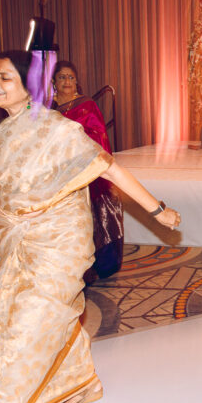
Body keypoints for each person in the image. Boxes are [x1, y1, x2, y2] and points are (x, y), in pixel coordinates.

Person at [0, 50, 181, 403]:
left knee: (26, 329)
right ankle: (83, 383)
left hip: (59, 246)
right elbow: (8, 203)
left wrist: (159, 210)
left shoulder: (58, 129)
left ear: (29, 86)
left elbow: (107, 169)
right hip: (20, 248)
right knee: (31, 321)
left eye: (4, 78)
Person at [52, 60, 124, 282]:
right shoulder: (47, 108)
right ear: (54, 82)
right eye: (62, 77)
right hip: (57, 173)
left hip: (84, 171)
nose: (67, 81)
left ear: (77, 82)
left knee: (88, 219)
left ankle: (90, 267)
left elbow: (99, 136)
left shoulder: (86, 105)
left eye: (71, 77)